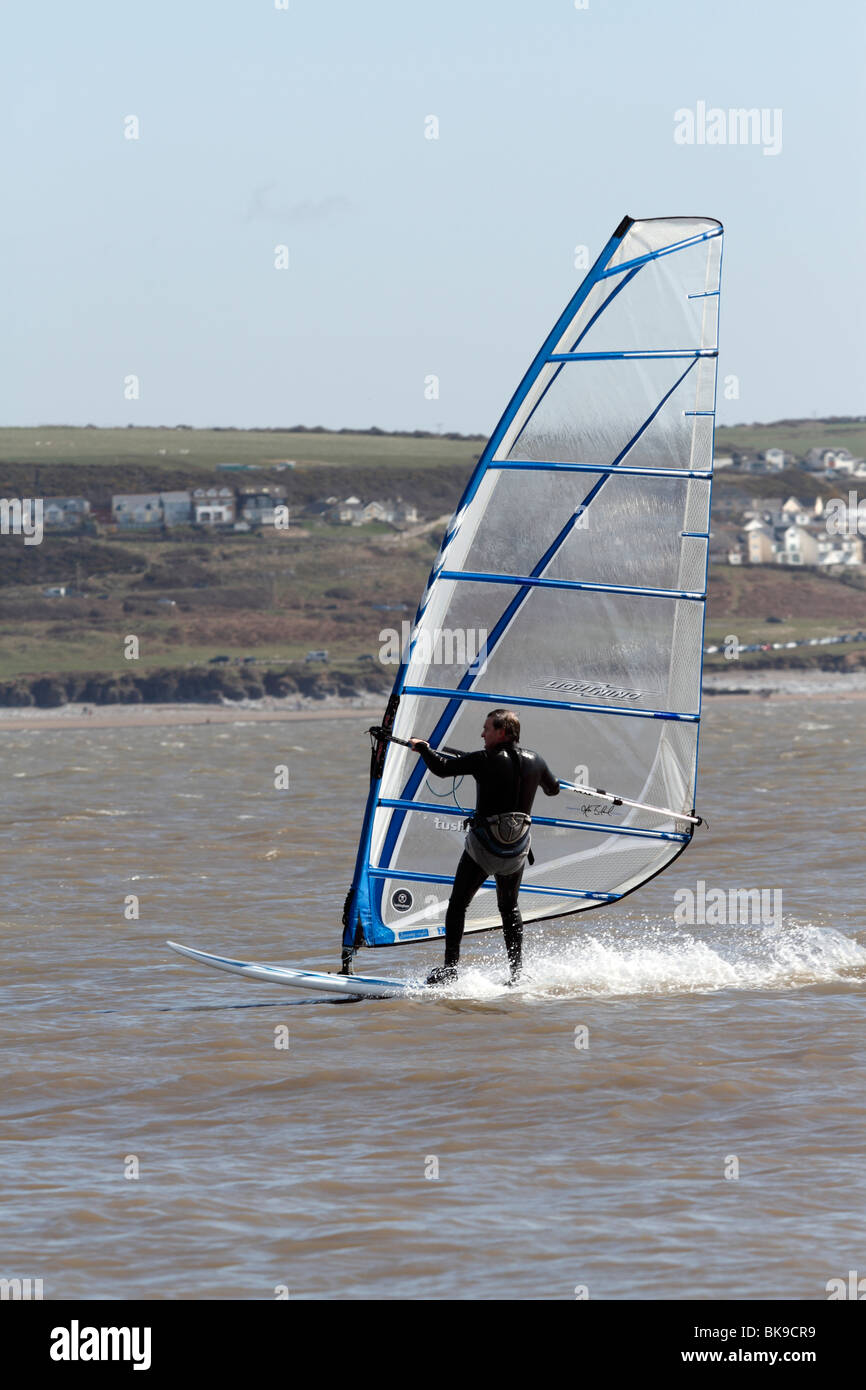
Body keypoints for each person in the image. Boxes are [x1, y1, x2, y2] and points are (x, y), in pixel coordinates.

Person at [409, 709, 559, 985]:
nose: (482, 734)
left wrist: (423, 749)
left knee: (457, 906)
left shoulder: (484, 759)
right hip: (516, 852)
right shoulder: (536, 760)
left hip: (484, 850)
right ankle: (517, 974)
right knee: (509, 908)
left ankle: (450, 971)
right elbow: (554, 790)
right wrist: (546, 778)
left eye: (486, 729)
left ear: (501, 732)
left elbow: (441, 768)